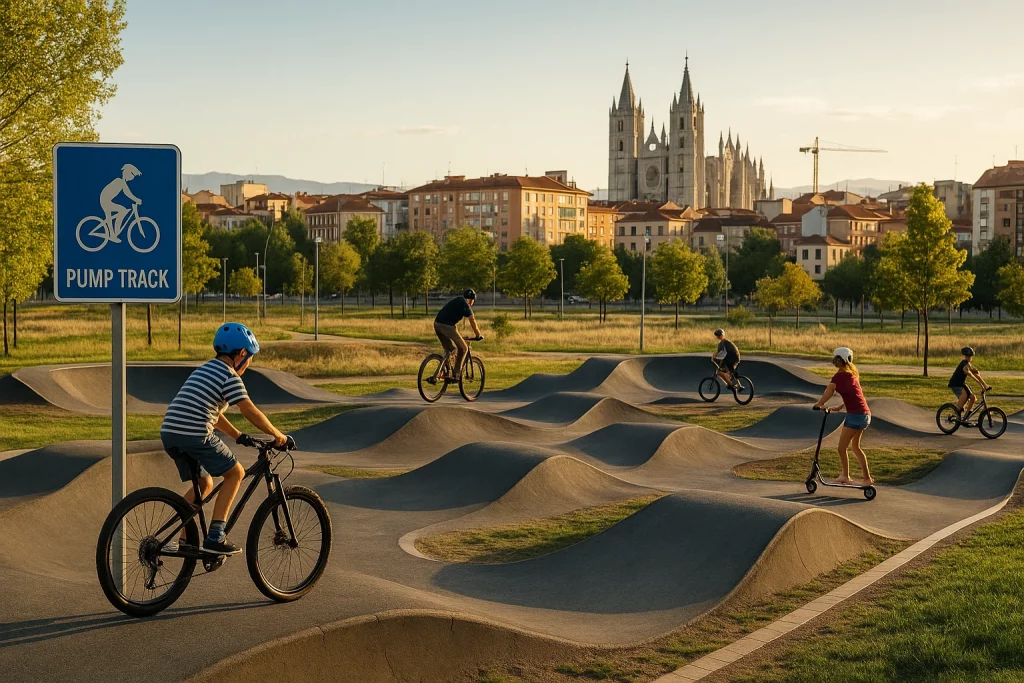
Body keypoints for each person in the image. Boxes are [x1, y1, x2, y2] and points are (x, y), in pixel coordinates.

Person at [160, 323, 290, 555]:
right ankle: (216, 537)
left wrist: (238, 436)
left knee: (205, 484)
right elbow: (249, 410)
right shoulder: (229, 375)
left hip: (170, 431)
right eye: (249, 358)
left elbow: (215, 415)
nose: (249, 363)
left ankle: (183, 539)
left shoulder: (205, 369)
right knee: (236, 473)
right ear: (241, 354)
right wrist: (277, 435)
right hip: (194, 432)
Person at [812, 347, 873, 486]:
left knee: (841, 448)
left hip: (855, 416)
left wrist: (820, 403)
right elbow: (854, 395)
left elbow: (830, 390)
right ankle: (867, 478)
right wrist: (840, 406)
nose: (834, 361)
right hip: (865, 414)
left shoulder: (839, 376)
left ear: (842, 360)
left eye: (836, 358)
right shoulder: (852, 374)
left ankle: (845, 476)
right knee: (856, 448)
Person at [433, 289, 484, 381]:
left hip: (437, 324)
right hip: (447, 326)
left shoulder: (457, 300)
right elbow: (472, 320)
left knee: (450, 350)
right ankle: (456, 374)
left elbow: (451, 320)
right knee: (464, 348)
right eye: (473, 301)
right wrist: (478, 334)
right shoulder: (466, 305)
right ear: (471, 300)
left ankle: (442, 373)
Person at [100, 163, 143, 243]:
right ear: (128, 174)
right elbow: (128, 194)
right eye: (132, 175)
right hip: (105, 201)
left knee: (121, 211)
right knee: (122, 210)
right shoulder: (119, 181)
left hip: (106, 200)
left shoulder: (122, 182)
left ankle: (114, 233)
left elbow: (128, 193)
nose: (132, 178)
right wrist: (137, 200)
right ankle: (115, 233)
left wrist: (136, 199)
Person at [948, 346, 990, 427]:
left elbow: (975, 373)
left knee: (973, 398)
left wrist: (985, 385)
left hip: (961, 383)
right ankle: (954, 415)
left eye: (971, 356)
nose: (970, 358)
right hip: (956, 384)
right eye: (969, 356)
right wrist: (980, 384)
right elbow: (968, 373)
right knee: (964, 399)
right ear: (966, 356)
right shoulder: (964, 364)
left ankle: (965, 418)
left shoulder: (968, 364)